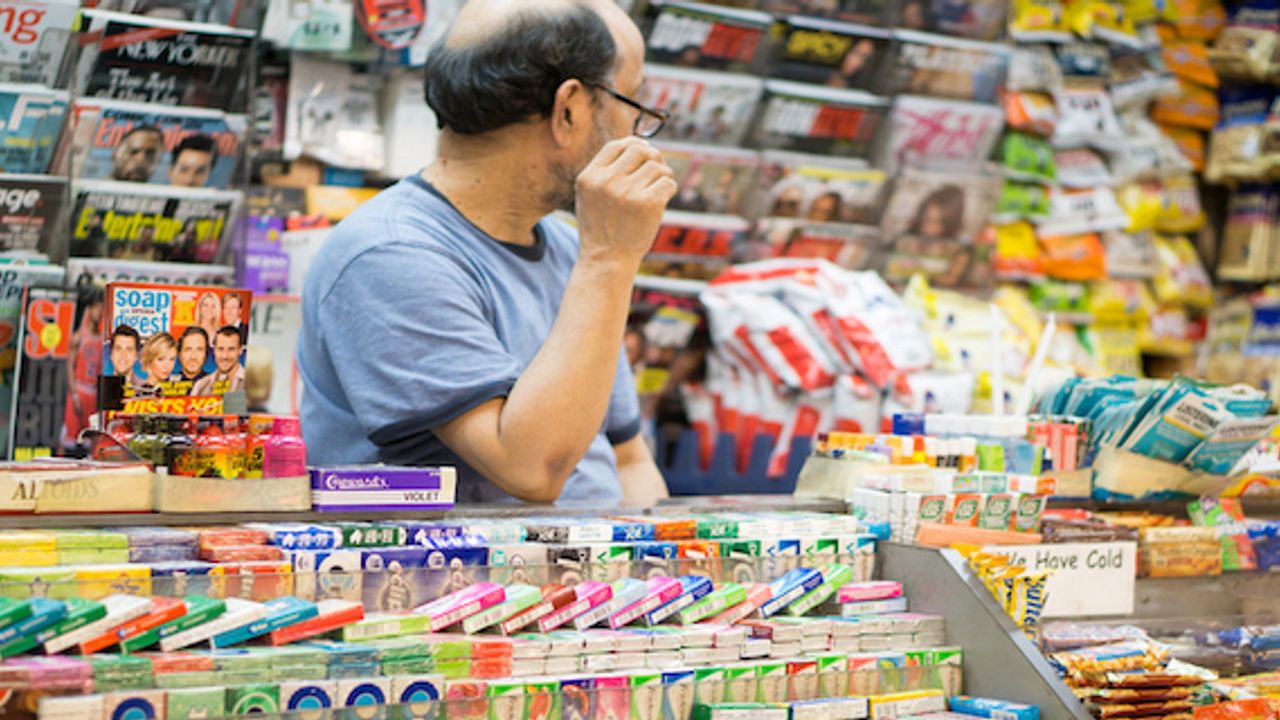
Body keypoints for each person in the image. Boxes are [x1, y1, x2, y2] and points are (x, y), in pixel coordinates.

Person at [298, 0, 677, 505]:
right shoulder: (389, 253)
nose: (636, 131)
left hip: (601, 555)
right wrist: (610, 260)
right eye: (631, 102)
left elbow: (628, 458)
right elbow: (531, 471)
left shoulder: (572, 247)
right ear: (569, 109)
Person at [61, 286, 104, 455]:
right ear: (89, 309)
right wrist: (74, 394)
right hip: (79, 390)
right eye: (95, 307)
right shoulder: (79, 336)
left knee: (90, 443)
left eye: (101, 308)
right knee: (70, 440)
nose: (98, 312)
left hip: (93, 394)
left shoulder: (102, 338)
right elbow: (69, 367)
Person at [192, 326, 245, 396]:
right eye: (220, 349)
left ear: (240, 350)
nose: (225, 356)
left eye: (231, 349)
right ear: (214, 350)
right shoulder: (200, 386)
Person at [134, 332, 178, 397]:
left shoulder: (170, 390)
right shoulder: (144, 394)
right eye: (161, 359)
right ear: (149, 359)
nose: (167, 366)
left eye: (172, 359)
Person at [170, 326, 209, 390]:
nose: (193, 357)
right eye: (188, 350)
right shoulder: (167, 385)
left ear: (206, 354)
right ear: (179, 354)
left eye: (199, 350)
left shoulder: (214, 384)